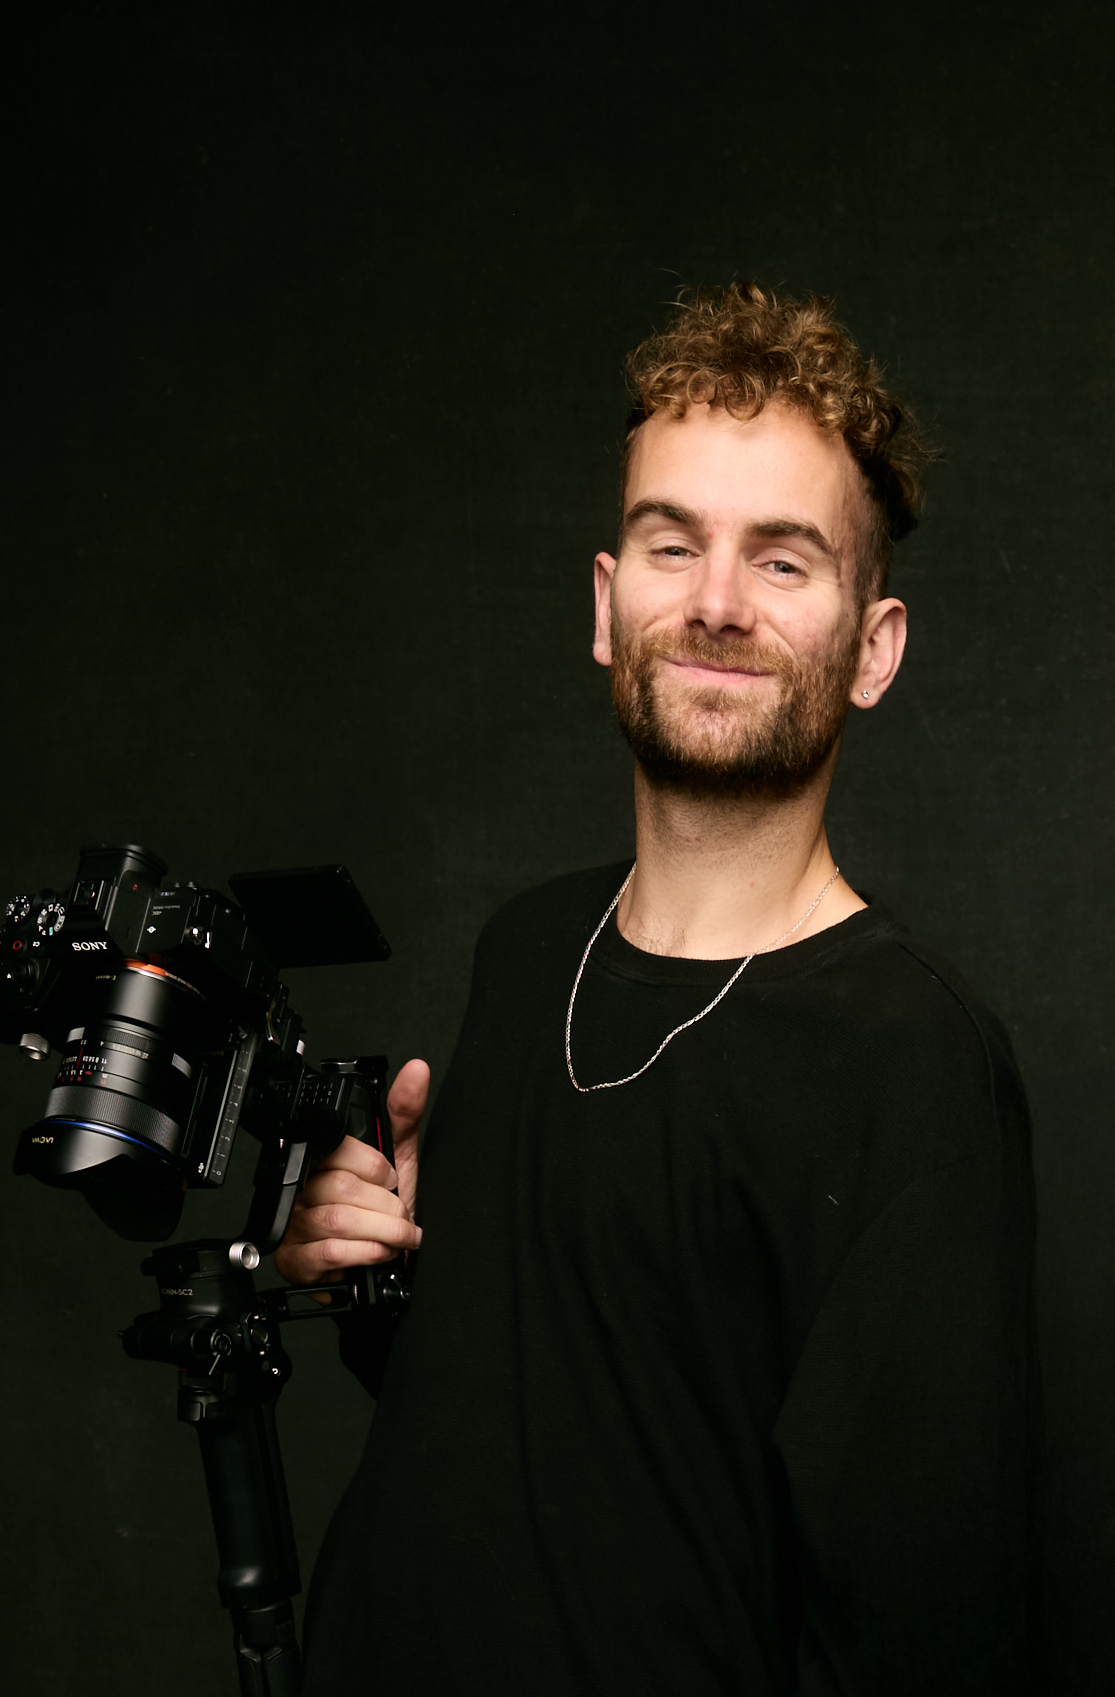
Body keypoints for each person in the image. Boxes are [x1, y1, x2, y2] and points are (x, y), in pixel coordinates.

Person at [277, 282, 1041, 1695]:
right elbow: (571, 1426)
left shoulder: (913, 1060)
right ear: (605, 600)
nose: (714, 603)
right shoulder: (529, 950)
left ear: (873, 650)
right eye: (671, 543)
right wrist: (378, 1271)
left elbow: (922, 1625)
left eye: (782, 561)